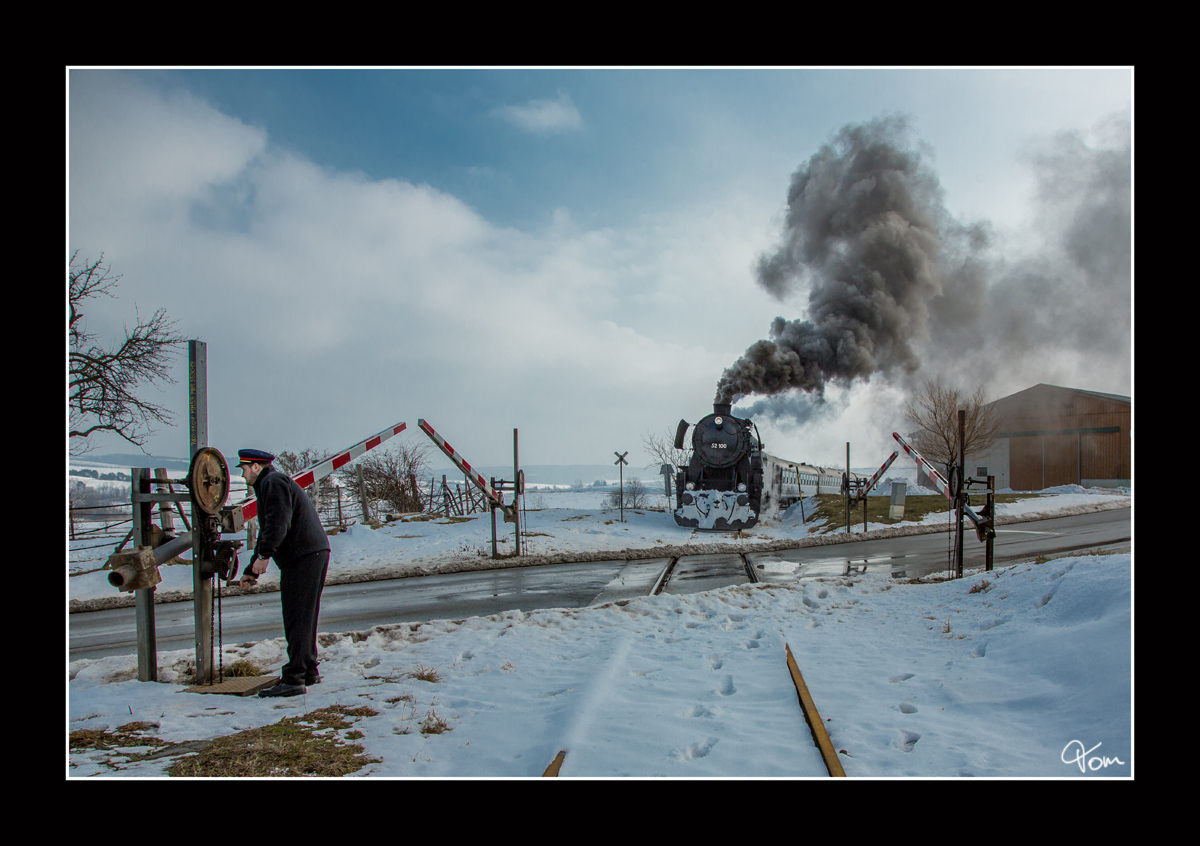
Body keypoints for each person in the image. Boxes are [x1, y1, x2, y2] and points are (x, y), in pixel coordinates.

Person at [236, 448, 331, 698]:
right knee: (304, 615)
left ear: (257, 467)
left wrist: (265, 556)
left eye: (244, 468)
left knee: (297, 616)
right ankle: (308, 669)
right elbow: (268, 529)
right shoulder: (271, 483)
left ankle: (293, 679)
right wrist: (251, 570)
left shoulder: (272, 482)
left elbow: (279, 521)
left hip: (303, 555)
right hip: (310, 553)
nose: (243, 473)